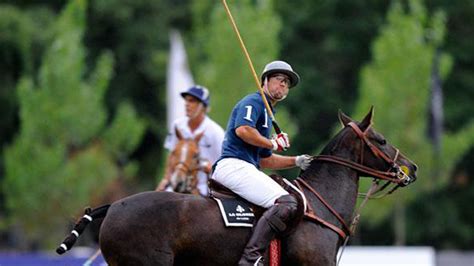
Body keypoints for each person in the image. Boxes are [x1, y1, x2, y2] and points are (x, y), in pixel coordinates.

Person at [211, 60, 312, 265]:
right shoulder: (254, 102)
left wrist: (296, 160)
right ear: (264, 81)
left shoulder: (268, 112)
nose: (283, 85)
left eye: (287, 83)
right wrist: (273, 142)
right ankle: (251, 258)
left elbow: (265, 160)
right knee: (287, 202)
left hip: (245, 166)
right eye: (279, 80)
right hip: (234, 165)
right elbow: (243, 130)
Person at [157, 85, 225, 196]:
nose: (187, 104)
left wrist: (211, 168)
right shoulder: (177, 125)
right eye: (186, 100)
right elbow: (171, 156)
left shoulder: (216, 132)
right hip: (177, 183)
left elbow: (224, 163)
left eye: (192, 101)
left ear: (203, 106)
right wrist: (165, 179)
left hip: (205, 186)